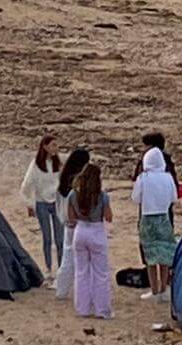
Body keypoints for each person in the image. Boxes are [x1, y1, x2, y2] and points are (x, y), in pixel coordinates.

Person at [132, 146, 179, 302]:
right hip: (164, 217)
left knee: (151, 256)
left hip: (147, 217)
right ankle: (164, 288)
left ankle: (154, 290)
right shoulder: (168, 177)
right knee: (164, 254)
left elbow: (135, 198)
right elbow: (174, 197)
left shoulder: (143, 178)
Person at [69, 162, 113, 320]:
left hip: (80, 231)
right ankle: (102, 309)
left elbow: (71, 218)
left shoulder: (73, 195)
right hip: (96, 230)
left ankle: (83, 308)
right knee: (100, 273)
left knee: (81, 272)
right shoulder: (102, 196)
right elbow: (109, 217)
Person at [21, 134, 63, 277]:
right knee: (47, 238)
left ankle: (61, 268)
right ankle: (49, 268)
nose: (56, 148)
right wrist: (29, 204)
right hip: (42, 203)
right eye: (53, 145)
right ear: (45, 147)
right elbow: (26, 185)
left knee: (60, 238)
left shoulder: (58, 163)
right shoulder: (36, 165)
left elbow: (64, 181)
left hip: (56, 202)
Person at [53, 146, 90, 301]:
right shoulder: (77, 182)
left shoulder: (63, 178)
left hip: (67, 222)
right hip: (78, 223)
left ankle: (61, 289)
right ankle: (83, 291)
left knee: (68, 258)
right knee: (83, 259)